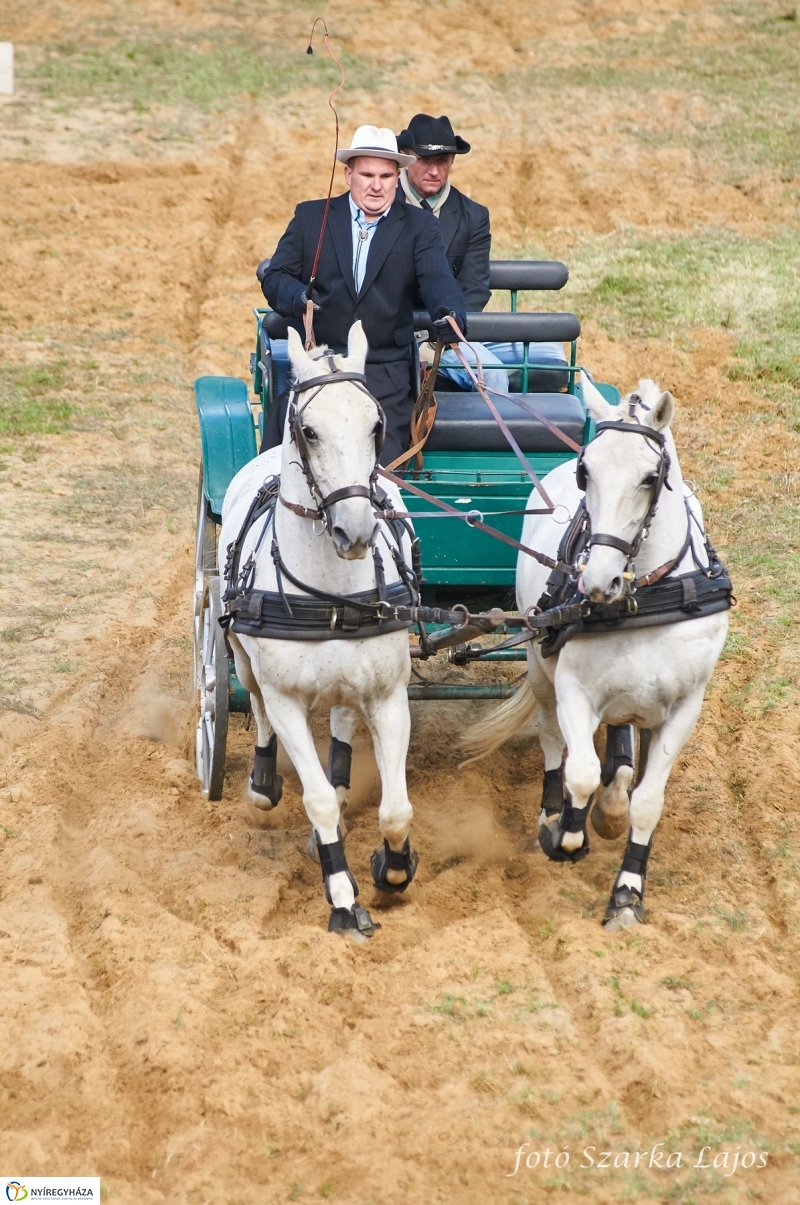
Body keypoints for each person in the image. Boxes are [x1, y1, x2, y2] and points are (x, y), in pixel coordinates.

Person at [260, 125, 467, 466]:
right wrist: (298, 298)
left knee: (378, 478)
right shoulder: (311, 217)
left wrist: (450, 315)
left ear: (396, 177)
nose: (376, 185)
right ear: (348, 174)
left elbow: (438, 280)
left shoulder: (419, 226)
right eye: (367, 174)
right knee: (280, 464)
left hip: (384, 375)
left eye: (386, 176)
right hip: (319, 366)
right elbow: (276, 276)